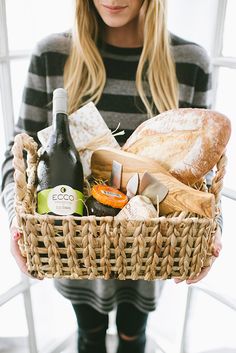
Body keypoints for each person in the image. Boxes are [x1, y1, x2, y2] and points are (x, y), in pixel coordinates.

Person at [1, 1, 222, 353]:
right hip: (74, 255)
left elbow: (204, 173)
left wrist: (211, 231)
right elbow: (19, 160)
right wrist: (17, 221)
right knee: (89, 336)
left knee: (134, 336)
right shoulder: (53, 56)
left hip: (152, 257)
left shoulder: (190, 63)